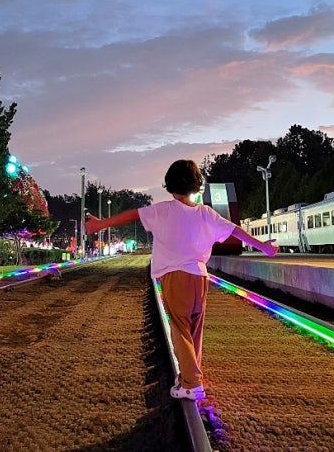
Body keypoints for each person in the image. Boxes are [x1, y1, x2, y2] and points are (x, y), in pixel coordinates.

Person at [84, 159, 279, 402]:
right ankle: (191, 375)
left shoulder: (163, 210)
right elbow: (234, 230)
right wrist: (262, 246)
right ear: (196, 186)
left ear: (170, 185)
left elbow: (132, 215)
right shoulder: (206, 213)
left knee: (180, 329)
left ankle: (191, 383)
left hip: (175, 276)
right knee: (194, 330)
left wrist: (100, 224)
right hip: (200, 277)